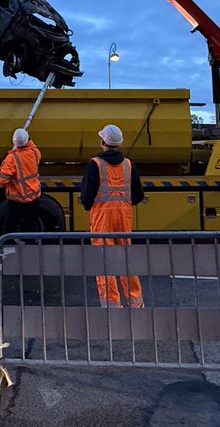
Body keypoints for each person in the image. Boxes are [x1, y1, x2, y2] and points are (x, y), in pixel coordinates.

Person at [80, 124, 145, 308]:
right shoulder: (129, 165)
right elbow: (138, 195)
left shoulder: (95, 165)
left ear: (103, 142)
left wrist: (91, 205)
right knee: (126, 260)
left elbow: (87, 197)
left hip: (102, 219)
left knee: (104, 262)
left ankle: (112, 307)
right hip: (123, 218)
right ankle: (136, 304)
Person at [0, 128, 43, 232]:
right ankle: (32, 247)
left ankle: (8, 247)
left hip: (16, 201)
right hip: (33, 199)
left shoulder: (11, 158)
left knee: (9, 229)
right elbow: (32, 144)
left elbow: (2, 180)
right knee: (32, 228)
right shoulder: (35, 153)